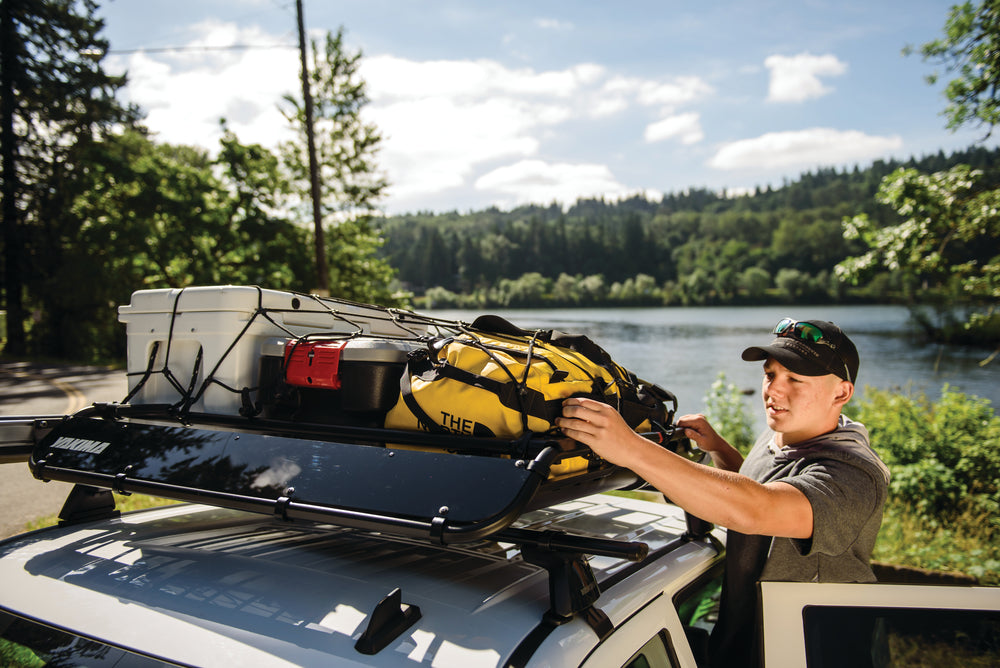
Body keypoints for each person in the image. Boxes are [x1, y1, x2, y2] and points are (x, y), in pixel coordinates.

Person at [557, 318, 890, 667]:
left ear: (841, 393)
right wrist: (720, 449)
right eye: (770, 374)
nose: (774, 390)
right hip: (745, 637)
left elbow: (759, 509)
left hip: (809, 652)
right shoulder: (788, 432)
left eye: (795, 379)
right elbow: (763, 486)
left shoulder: (854, 476)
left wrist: (630, 448)